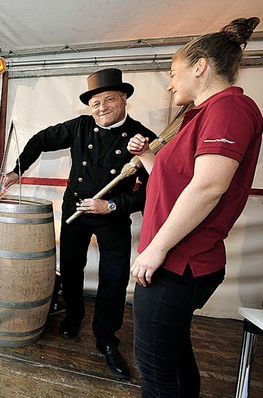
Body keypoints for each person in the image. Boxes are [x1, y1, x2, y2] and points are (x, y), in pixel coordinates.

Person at [126, 17, 262, 397]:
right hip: (178, 257)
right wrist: (150, 155)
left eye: (174, 72)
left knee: (155, 371)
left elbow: (207, 187)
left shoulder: (229, 110)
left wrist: (155, 248)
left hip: (178, 261)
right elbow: (178, 183)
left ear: (200, 66)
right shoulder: (200, 115)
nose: (170, 83)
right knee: (173, 354)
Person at [3, 68, 157, 380]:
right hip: (76, 210)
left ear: (124, 99)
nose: (101, 108)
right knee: (71, 268)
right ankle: (73, 317)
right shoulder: (80, 126)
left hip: (112, 217)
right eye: (95, 103)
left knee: (113, 280)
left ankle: (106, 340)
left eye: (109, 100)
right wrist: (16, 170)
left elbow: (153, 192)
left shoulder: (142, 139)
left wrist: (112, 205)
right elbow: (40, 139)